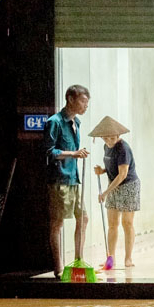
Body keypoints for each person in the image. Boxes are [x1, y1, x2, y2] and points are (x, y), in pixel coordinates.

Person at [44, 85, 90, 279]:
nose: (85, 106)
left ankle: (79, 260)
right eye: (82, 101)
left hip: (73, 178)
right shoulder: (54, 122)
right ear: (70, 99)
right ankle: (58, 267)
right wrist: (73, 154)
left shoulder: (76, 123)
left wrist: (77, 154)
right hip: (59, 179)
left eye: (87, 102)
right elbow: (49, 151)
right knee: (58, 223)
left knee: (84, 218)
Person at [91, 116, 139, 269]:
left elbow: (123, 174)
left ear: (118, 136)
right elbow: (113, 168)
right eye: (105, 138)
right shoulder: (107, 147)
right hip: (113, 185)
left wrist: (105, 192)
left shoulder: (123, 149)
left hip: (128, 186)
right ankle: (110, 259)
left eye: (112, 137)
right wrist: (103, 170)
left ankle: (128, 258)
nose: (109, 141)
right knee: (112, 224)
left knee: (127, 222)